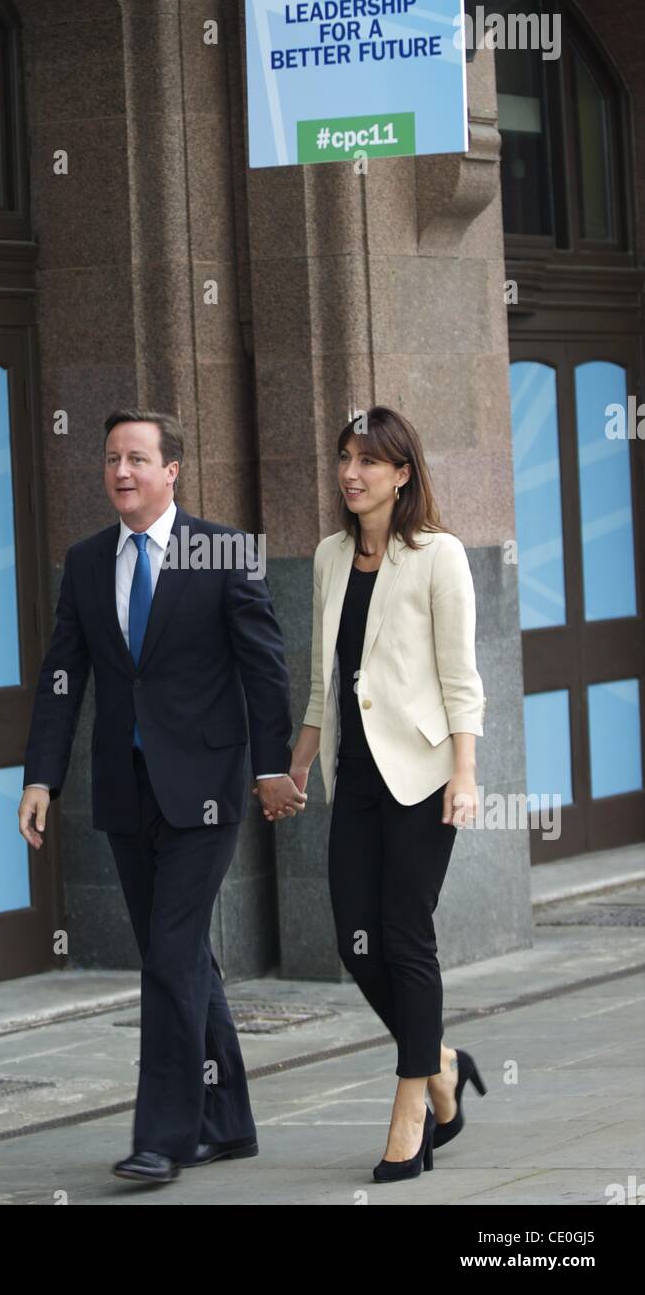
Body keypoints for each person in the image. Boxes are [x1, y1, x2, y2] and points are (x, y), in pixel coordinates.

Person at [18, 408, 306, 1184]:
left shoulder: (222, 550)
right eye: (111, 458)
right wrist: (41, 776)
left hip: (206, 791)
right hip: (124, 789)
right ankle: (230, 1120)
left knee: (170, 959)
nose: (121, 472)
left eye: (138, 458)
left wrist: (273, 767)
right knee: (177, 960)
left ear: (171, 469)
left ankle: (163, 1138)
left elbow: (264, 670)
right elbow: (61, 678)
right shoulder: (84, 563)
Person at [271, 406, 488, 1183]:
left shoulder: (439, 555)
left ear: (403, 473)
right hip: (354, 779)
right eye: (344, 458)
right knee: (352, 941)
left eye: (368, 460)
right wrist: (297, 763)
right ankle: (440, 1063)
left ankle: (409, 1114)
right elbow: (326, 682)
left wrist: (464, 773)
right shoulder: (330, 555)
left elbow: (462, 679)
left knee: (403, 935)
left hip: (423, 778)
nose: (351, 473)